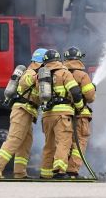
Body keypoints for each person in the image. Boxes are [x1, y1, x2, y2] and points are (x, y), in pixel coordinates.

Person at [0, 48, 47, 179]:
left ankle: (20, 172)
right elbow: (27, 84)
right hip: (21, 111)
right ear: (41, 62)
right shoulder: (30, 73)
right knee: (14, 139)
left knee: (25, 143)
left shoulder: (35, 73)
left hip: (28, 112)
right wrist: (40, 80)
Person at [39, 49, 84, 179]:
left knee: (49, 145)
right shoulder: (64, 73)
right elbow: (75, 92)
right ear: (58, 60)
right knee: (63, 143)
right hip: (62, 115)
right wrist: (79, 107)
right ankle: (59, 171)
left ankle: (45, 173)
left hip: (47, 115)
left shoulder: (41, 76)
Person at [63, 46, 96, 178]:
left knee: (64, 142)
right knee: (79, 142)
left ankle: (60, 169)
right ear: (79, 59)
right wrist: (93, 89)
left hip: (64, 115)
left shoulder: (61, 74)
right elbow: (90, 97)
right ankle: (72, 171)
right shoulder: (83, 75)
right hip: (81, 115)